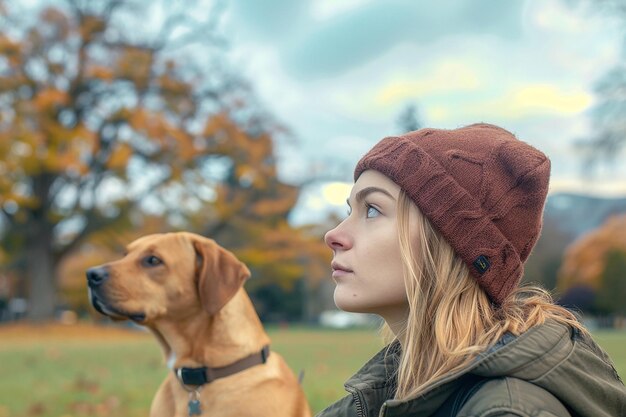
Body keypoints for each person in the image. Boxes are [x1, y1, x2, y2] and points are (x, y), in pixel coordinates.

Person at [320, 123, 626, 417]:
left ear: (447, 241)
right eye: (350, 211)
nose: (333, 235)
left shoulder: (507, 411)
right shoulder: (399, 386)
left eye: (372, 209)